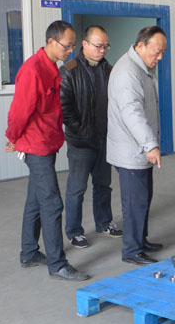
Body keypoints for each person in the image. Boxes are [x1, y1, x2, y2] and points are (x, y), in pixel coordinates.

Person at [5, 20, 90, 281]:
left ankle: (29, 252)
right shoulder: (33, 69)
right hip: (36, 146)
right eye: (67, 46)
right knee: (52, 203)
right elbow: (19, 111)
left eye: (73, 46)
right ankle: (57, 264)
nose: (70, 51)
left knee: (35, 200)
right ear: (51, 41)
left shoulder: (52, 67)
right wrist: (12, 137)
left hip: (47, 142)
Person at [107, 26, 166, 265]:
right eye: (156, 51)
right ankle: (132, 250)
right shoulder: (127, 72)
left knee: (143, 197)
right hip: (130, 150)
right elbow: (132, 113)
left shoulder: (142, 67)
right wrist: (150, 144)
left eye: (162, 52)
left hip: (137, 148)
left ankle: (141, 240)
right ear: (141, 45)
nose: (159, 57)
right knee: (134, 202)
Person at [60, 25, 122, 249]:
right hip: (80, 142)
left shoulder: (111, 71)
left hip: (105, 140)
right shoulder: (69, 71)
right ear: (85, 44)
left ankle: (104, 223)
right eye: (98, 45)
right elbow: (64, 109)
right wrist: (81, 131)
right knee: (77, 189)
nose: (102, 50)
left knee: (103, 185)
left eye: (106, 46)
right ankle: (74, 231)